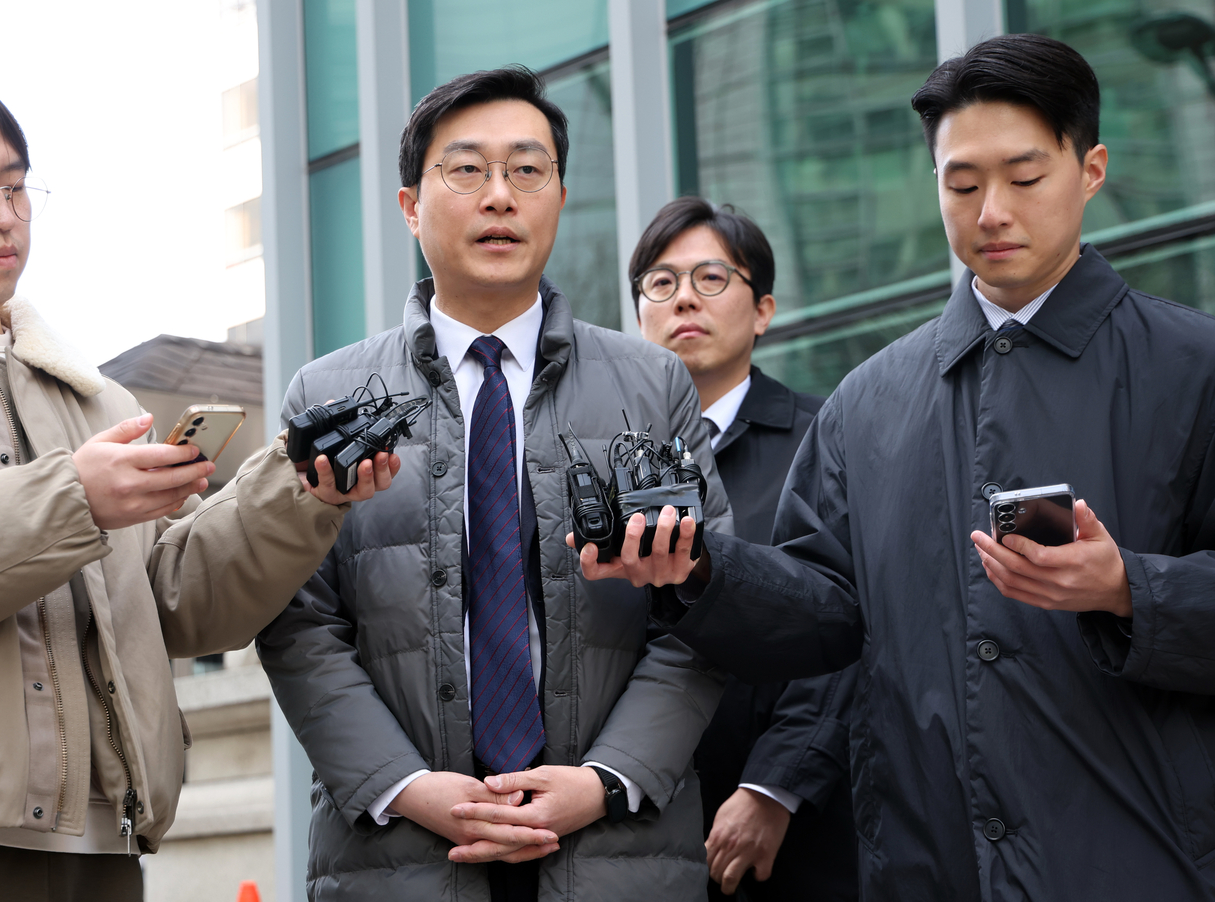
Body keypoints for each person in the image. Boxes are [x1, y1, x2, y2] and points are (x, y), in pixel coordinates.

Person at [0, 65, 393, 901]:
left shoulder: (93, 396)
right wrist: (70, 500)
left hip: (104, 847)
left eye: (17, 186)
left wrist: (302, 490)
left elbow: (178, 604)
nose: (3, 215)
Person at [624, 33, 1215, 900]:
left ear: (1090, 170)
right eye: (962, 184)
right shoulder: (867, 403)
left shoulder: (1192, 367)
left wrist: (1130, 588)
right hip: (925, 862)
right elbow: (822, 615)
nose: (991, 213)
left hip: (1139, 860)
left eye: (1024, 178)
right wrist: (702, 572)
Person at [257, 66, 732, 901]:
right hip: (402, 855)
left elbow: (708, 606)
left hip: (616, 850)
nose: (500, 196)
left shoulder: (652, 385)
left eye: (527, 169)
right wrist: (406, 787)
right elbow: (299, 627)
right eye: (467, 169)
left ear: (557, 194)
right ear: (410, 206)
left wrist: (607, 779)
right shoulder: (327, 397)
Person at [632, 197, 857, 901]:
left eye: (711, 279)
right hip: (635, 822)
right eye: (661, 284)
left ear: (762, 309)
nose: (683, 302)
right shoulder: (605, 460)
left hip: (797, 827)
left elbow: (851, 623)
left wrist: (776, 785)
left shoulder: (826, 437)